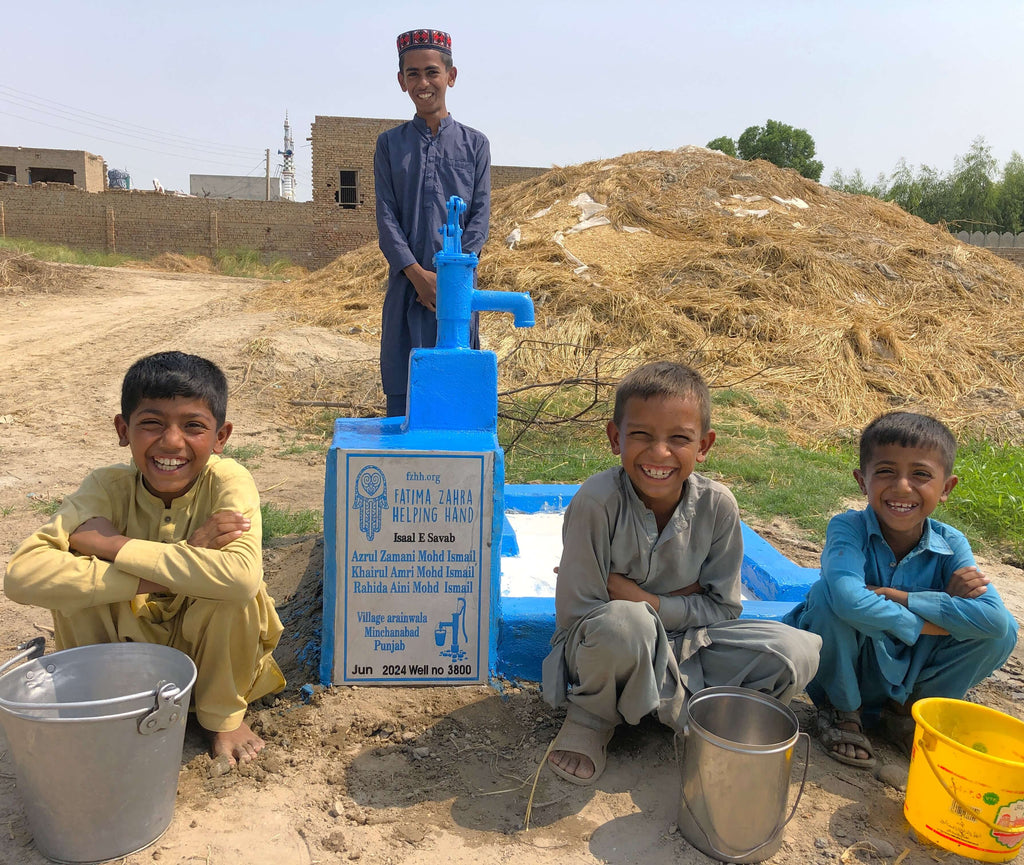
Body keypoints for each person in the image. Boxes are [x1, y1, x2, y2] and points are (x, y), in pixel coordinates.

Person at [541, 361, 821, 785]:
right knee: (623, 625)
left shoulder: (718, 505)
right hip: (610, 650)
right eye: (641, 435)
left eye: (679, 439)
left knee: (794, 650)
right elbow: (579, 614)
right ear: (615, 438)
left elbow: (723, 610)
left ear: (704, 445)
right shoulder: (597, 503)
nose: (659, 454)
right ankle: (592, 721)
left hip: (691, 646)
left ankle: (674, 707)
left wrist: (647, 600)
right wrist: (668, 604)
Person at [5, 351, 286, 767]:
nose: (172, 442)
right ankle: (109, 705)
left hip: (209, 652)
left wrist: (113, 546)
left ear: (221, 437)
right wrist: (184, 563)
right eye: (152, 423)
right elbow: (22, 576)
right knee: (71, 590)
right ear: (123, 430)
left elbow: (241, 578)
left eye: (193, 426)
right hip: (125, 656)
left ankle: (221, 715)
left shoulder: (228, 481)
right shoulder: (106, 486)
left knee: (235, 596)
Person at [784, 411, 1018, 768]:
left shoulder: (951, 544)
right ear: (863, 481)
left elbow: (994, 623)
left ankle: (905, 714)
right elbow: (848, 600)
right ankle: (843, 713)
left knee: (1003, 635)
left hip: (911, 675)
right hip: (850, 669)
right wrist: (936, 617)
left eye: (921, 475)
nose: (903, 487)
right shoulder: (848, 529)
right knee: (826, 598)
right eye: (886, 472)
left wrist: (904, 598)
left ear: (946, 489)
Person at [374, 28, 491, 417]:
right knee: (403, 394)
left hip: (456, 293)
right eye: (412, 74)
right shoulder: (389, 145)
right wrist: (417, 275)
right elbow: (387, 217)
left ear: (450, 76)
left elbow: (480, 218)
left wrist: (450, 279)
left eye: (431, 72)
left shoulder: (475, 145)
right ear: (401, 81)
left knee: (456, 398)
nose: (422, 83)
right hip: (408, 287)